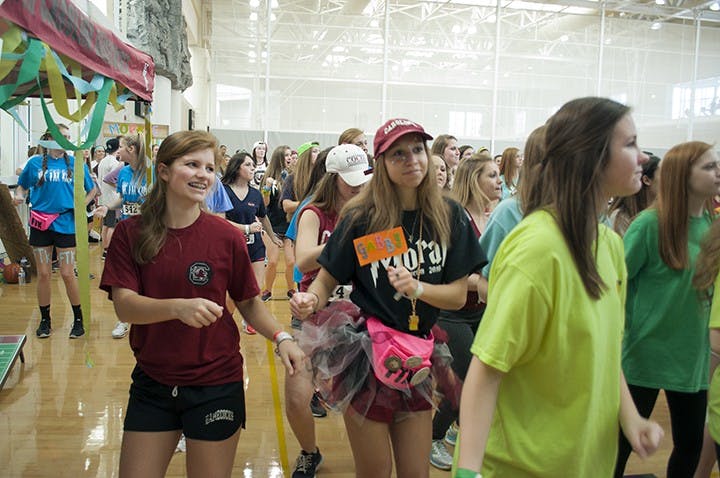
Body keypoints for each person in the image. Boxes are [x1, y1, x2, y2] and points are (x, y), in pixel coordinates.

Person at [456, 97, 664, 478]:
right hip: (520, 467)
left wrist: (631, 418)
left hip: (585, 463)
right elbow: (487, 370)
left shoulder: (610, 246)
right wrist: (467, 472)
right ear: (591, 157)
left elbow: (604, 352)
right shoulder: (537, 249)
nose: (644, 158)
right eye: (631, 144)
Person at [99, 130, 305, 478]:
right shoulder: (131, 233)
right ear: (164, 171)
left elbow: (249, 302)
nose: (203, 175)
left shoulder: (225, 237)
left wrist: (282, 337)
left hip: (216, 382)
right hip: (154, 381)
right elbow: (125, 306)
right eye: (192, 164)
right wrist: (177, 308)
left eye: (209, 168)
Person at [290, 118, 485, 478]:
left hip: (418, 355)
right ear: (381, 163)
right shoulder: (362, 217)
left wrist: (418, 289)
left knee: (416, 472)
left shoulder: (449, 215)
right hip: (367, 356)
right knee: (375, 470)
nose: (412, 160)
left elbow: (458, 297)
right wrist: (311, 301)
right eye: (398, 154)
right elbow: (327, 278)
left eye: (417, 150)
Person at [615, 141, 719, 478]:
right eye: (708, 167)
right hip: (642, 354)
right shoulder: (648, 225)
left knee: (689, 447)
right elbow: (617, 283)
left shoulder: (713, 228)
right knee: (618, 447)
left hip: (691, 359)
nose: (718, 172)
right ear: (682, 176)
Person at [286, 143, 372, 478]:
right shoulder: (314, 212)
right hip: (313, 311)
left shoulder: (371, 211)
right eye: (350, 180)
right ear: (333, 177)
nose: (358, 186)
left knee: (360, 401)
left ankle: (370, 460)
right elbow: (304, 259)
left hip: (360, 315)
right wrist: (347, 243)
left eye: (362, 178)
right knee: (297, 396)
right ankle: (310, 452)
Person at [429, 152, 502, 471]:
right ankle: (433, 436)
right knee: (464, 380)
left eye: (499, 175)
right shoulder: (455, 217)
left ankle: (458, 428)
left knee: (485, 379)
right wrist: (486, 284)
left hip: (482, 311)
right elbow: (449, 273)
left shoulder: (496, 216)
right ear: (474, 180)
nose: (499, 182)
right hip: (452, 313)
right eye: (492, 175)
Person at [14, 124, 97, 338]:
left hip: (66, 224)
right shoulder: (34, 163)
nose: (67, 140)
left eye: (69, 136)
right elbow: (22, 186)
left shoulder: (76, 164)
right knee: (43, 274)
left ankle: (78, 320)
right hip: (40, 224)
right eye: (63, 136)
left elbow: (93, 190)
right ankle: (45, 321)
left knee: (68, 273)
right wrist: (20, 196)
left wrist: (81, 205)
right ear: (50, 138)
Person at [94, 134, 149, 339]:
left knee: (147, 275)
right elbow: (122, 198)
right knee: (126, 277)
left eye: (122, 147)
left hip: (148, 232)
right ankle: (124, 319)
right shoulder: (123, 171)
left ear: (132, 149)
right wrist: (107, 207)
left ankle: (148, 317)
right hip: (127, 231)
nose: (118, 151)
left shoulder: (152, 172)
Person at [222, 152, 282, 334]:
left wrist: (272, 237)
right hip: (232, 247)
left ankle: (248, 321)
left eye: (253, 165)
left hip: (255, 247)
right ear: (237, 167)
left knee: (254, 288)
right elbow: (220, 221)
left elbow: (263, 218)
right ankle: (224, 323)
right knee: (232, 292)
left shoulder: (255, 194)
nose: (252, 168)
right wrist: (246, 228)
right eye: (248, 165)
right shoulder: (223, 191)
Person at [260, 145, 295, 301]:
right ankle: (267, 290)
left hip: (289, 226)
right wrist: (267, 188)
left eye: (290, 155)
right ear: (279, 157)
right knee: (273, 261)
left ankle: (291, 289)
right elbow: (264, 203)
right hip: (272, 226)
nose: (289, 158)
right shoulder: (268, 177)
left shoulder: (294, 177)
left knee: (291, 261)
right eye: (286, 155)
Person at [608, 151, 661, 236]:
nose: (668, 180)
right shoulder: (619, 218)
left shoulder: (659, 213)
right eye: (663, 175)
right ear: (646, 180)